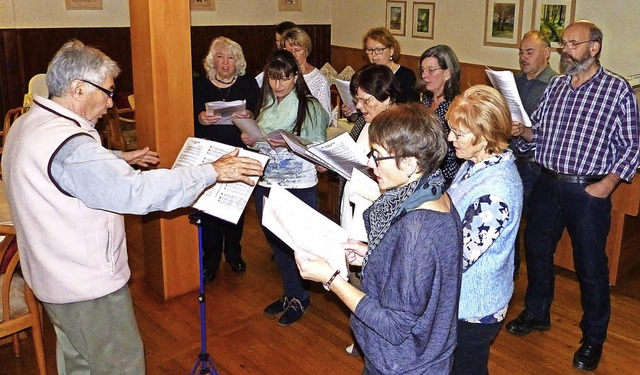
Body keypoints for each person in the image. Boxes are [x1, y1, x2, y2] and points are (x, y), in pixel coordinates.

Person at [1, 39, 263, 374]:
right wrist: (211, 171)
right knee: (120, 365)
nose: (111, 103)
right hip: (86, 284)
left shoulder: (28, 123)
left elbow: (62, 168)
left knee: (79, 362)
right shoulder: (73, 146)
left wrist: (117, 157)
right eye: (108, 91)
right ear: (78, 88)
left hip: (52, 277)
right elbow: (136, 192)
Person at [505, 21, 639, 372]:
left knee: (591, 267)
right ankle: (536, 313)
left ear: (594, 48)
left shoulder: (617, 90)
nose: (565, 50)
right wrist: (523, 131)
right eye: (563, 43)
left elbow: (632, 146)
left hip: (587, 190)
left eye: (572, 44)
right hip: (547, 183)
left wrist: (607, 184)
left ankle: (593, 338)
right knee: (537, 251)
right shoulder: (557, 86)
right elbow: (540, 135)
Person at [295, 103, 462, 374]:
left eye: (377, 156)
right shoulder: (434, 192)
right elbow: (418, 278)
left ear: (409, 163)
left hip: (404, 364)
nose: (370, 164)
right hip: (423, 354)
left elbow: (394, 326)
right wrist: (371, 252)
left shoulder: (416, 231)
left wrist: (331, 279)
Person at [241, 50, 330, 326]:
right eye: (273, 78)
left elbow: (318, 152)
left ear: (295, 78)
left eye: (284, 78)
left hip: (298, 185)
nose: (278, 85)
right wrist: (250, 138)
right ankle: (289, 292)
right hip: (267, 183)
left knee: (297, 246)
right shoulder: (267, 104)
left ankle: (300, 298)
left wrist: (290, 143)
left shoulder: (310, 106)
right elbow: (260, 138)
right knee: (277, 245)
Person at [445, 85, 523, 375]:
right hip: (466, 298)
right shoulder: (475, 165)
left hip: (474, 307)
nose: (450, 137)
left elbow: (457, 257)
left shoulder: (495, 192)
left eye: (459, 133)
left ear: (486, 135)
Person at [193, 36, 260, 282]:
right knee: (210, 209)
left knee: (235, 207)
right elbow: (186, 118)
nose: (225, 62)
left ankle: (234, 253)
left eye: (231, 57)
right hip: (209, 153)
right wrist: (200, 118)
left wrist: (249, 113)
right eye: (220, 57)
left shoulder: (248, 83)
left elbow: (257, 113)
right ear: (212, 61)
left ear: (238, 61)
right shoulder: (199, 85)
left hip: (238, 149)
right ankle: (210, 260)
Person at [510, 30, 557, 279]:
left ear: (547, 54)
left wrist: (525, 131)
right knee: (510, 225)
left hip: (536, 167)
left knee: (536, 234)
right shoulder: (515, 82)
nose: (523, 57)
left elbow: (553, 134)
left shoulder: (556, 86)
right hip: (511, 160)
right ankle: (511, 275)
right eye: (521, 52)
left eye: (529, 52)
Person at [419, 45, 463, 185]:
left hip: (444, 180)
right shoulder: (425, 100)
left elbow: (449, 155)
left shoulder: (456, 107)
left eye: (431, 70)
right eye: (423, 70)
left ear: (447, 74)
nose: (424, 76)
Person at [280, 27, 332, 116]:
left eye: (297, 50)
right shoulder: (280, 74)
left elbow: (325, 114)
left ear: (306, 51)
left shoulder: (319, 80)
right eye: (289, 51)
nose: (293, 54)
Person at [361, 27, 419, 103]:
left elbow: (410, 107)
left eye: (379, 50)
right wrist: (353, 109)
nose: (374, 55)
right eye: (369, 50)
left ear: (391, 50)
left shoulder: (407, 76)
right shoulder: (365, 72)